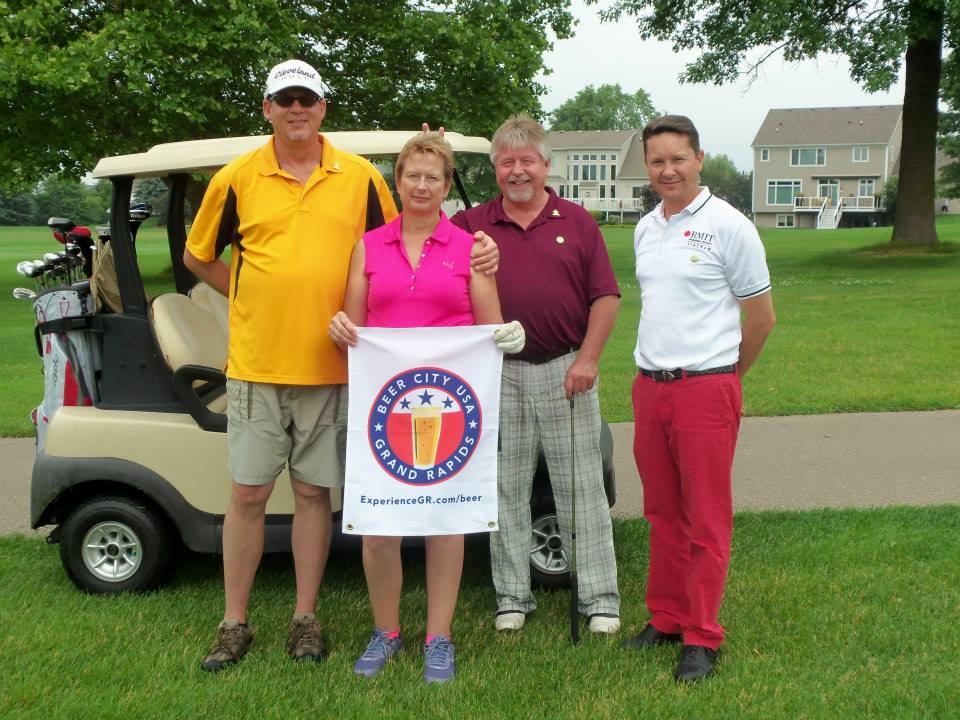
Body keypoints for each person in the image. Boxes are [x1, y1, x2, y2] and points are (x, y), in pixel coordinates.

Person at [183, 60, 498, 673]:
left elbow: (401, 242)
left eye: (307, 98)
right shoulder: (237, 178)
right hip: (257, 363)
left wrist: (480, 247)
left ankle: (305, 617)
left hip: (334, 370)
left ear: (322, 107)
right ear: (268, 108)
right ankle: (234, 621)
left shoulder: (358, 177)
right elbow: (200, 257)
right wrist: (248, 296)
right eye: (285, 99)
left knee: (312, 494)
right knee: (247, 493)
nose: (297, 109)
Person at [328, 133, 525, 683]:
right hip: (385, 405)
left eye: (432, 177)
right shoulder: (368, 246)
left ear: (445, 186)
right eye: (412, 175)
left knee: (446, 521)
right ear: (397, 181)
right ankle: (386, 630)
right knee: (377, 524)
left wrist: (507, 335)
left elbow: (490, 325)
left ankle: (439, 637)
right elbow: (354, 326)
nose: (421, 186)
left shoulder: (470, 247)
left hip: (451, 405)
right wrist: (340, 328)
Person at [451, 115, 622, 635]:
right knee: (505, 488)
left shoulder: (577, 221)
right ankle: (512, 595)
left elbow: (605, 297)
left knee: (582, 487)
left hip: (566, 370)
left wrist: (587, 359)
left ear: (546, 165)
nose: (518, 171)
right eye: (507, 162)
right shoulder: (470, 224)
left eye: (527, 160)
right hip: (497, 374)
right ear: (495, 170)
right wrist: (436, 152)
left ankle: (599, 598)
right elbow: (420, 236)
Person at [621, 115, 776, 682]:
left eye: (678, 159)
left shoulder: (730, 226)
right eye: (657, 161)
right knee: (662, 512)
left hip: (706, 387)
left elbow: (761, 318)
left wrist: (727, 378)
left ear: (699, 159)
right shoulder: (646, 228)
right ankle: (666, 617)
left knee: (706, 517)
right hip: (649, 386)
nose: (668, 171)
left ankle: (702, 635)